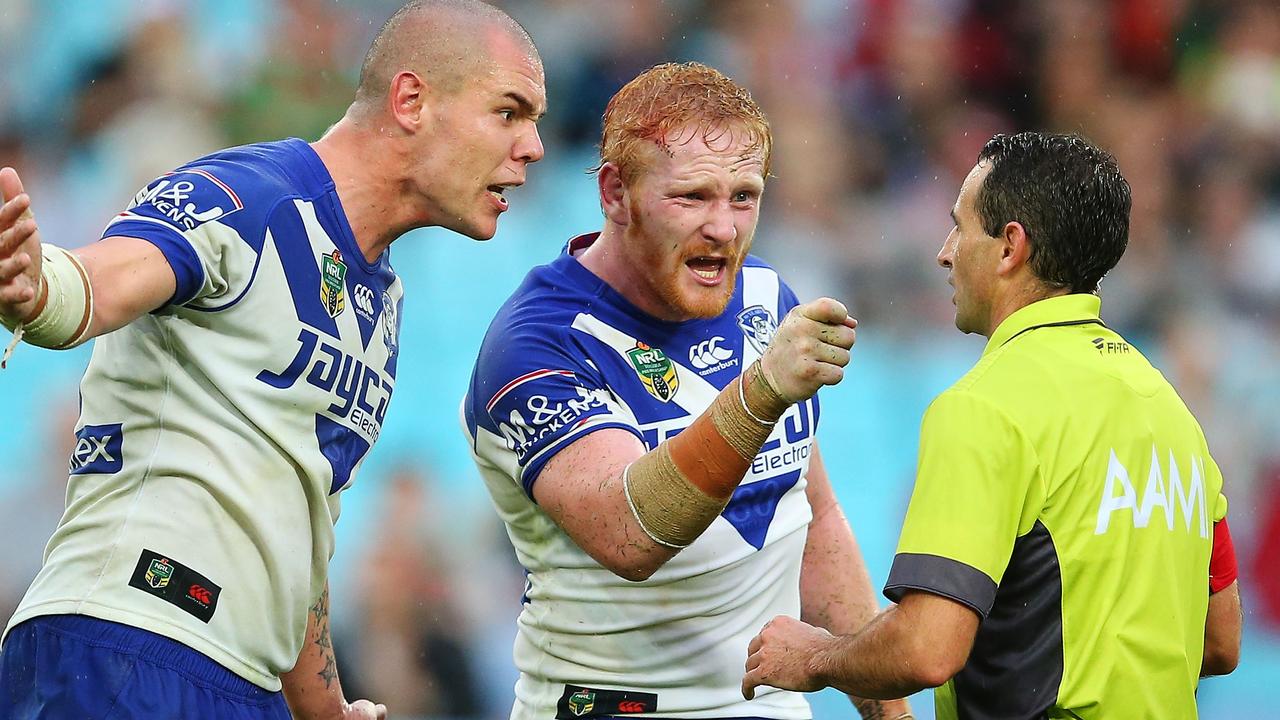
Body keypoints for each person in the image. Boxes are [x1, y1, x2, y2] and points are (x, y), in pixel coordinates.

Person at [0, 1, 545, 717]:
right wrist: (37, 285)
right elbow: (104, 280)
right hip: (128, 644)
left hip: (241, 686)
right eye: (509, 112)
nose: (533, 145)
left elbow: (301, 523)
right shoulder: (252, 198)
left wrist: (325, 709)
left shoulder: (381, 303)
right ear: (412, 100)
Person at [463, 62, 911, 720]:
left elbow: (809, 517)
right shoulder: (537, 346)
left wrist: (889, 715)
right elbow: (632, 537)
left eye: (744, 196)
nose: (725, 229)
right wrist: (758, 394)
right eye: (693, 197)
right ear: (616, 193)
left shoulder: (764, 298)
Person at [742, 132, 1243, 718]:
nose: (944, 251)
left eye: (960, 226)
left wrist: (815, 657)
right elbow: (1219, 640)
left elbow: (928, 649)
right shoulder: (1170, 410)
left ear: (1010, 247)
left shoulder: (984, 408)